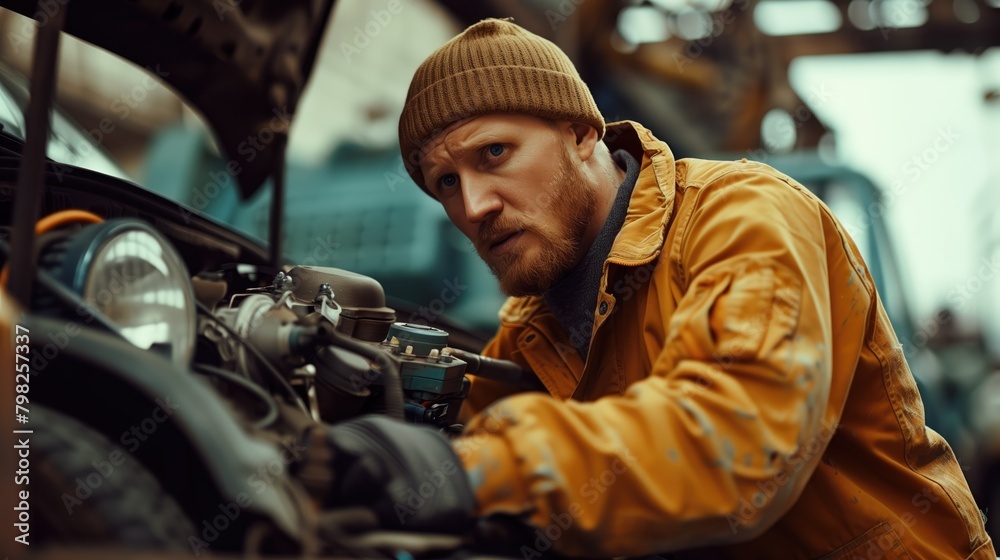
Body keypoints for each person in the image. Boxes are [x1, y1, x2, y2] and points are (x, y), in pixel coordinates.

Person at [314, 18, 996, 559]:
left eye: (494, 153)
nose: (474, 205)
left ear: (582, 132)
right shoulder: (526, 335)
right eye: (445, 183)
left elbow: (736, 443)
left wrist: (478, 473)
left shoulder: (743, 214)